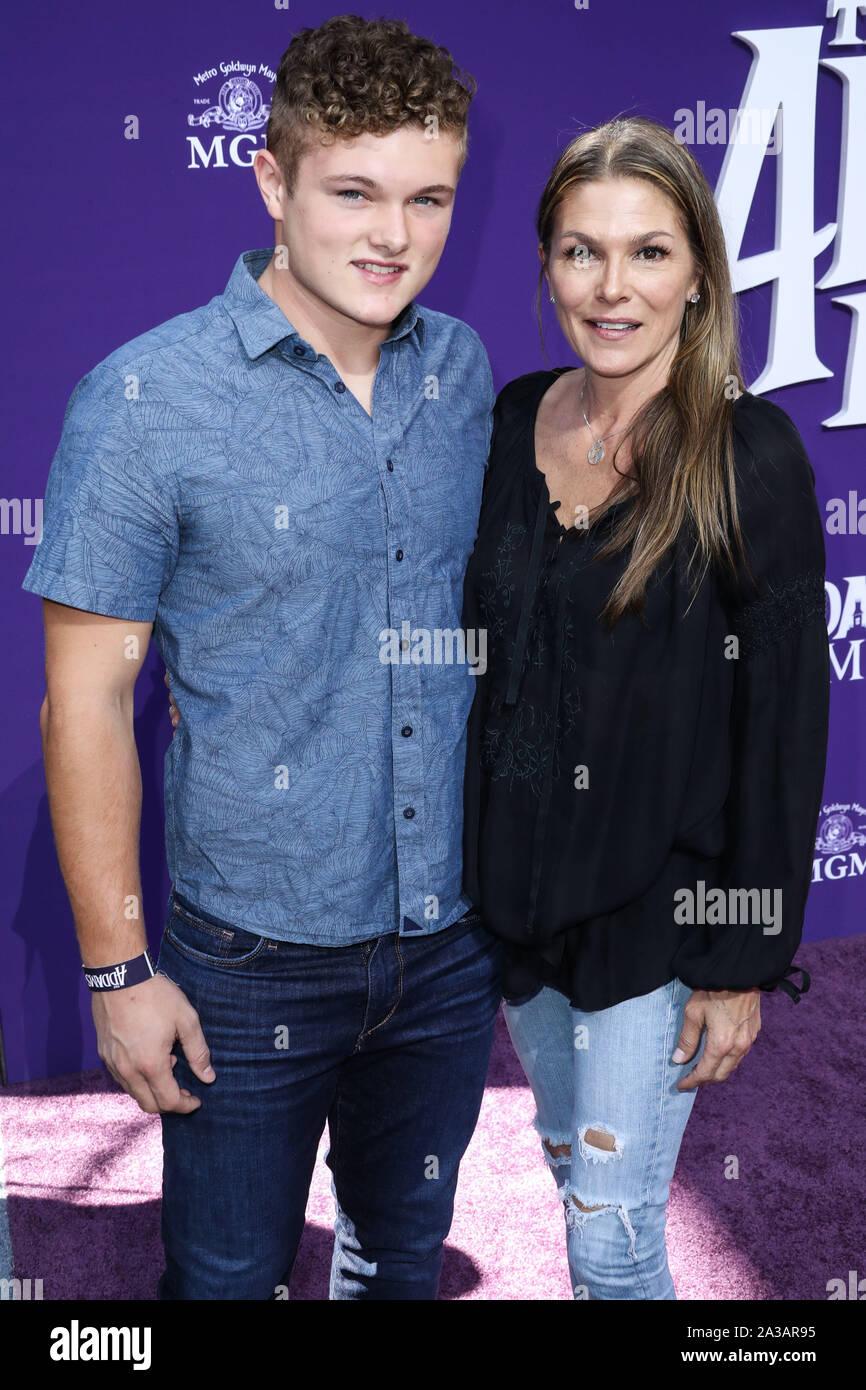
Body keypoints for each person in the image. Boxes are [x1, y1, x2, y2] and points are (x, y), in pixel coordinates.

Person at [22, 15, 502, 1300]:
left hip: (448, 948)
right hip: (247, 961)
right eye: (353, 192)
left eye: (427, 199)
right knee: (225, 1280)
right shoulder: (145, 402)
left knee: (399, 1264)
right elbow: (84, 703)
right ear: (271, 181)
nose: (393, 235)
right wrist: (119, 971)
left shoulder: (462, 375)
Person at [461, 116, 830, 1300]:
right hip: (522, 905)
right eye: (581, 251)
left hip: (660, 914)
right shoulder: (512, 419)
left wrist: (741, 960)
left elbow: (781, 727)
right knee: (571, 1171)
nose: (610, 287)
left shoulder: (748, 456)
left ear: (698, 275)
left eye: (647, 252)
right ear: (546, 266)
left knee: (609, 1235)